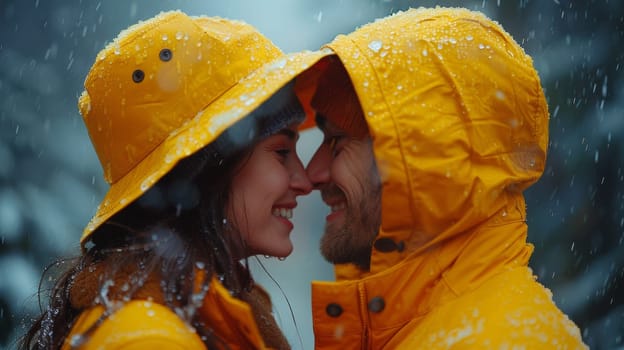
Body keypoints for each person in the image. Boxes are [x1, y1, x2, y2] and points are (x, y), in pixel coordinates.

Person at [20, 10, 330, 350]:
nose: (305, 181)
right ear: (207, 169)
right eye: (282, 152)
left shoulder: (181, 317)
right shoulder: (150, 340)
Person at [298, 7, 588, 349]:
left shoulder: (501, 342)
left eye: (337, 141)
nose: (311, 174)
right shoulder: (447, 331)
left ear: (423, 157)